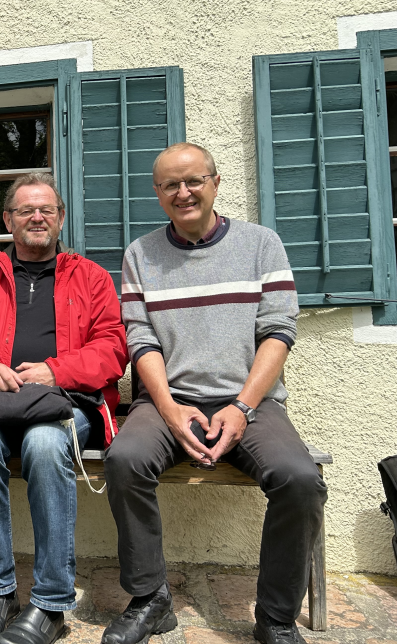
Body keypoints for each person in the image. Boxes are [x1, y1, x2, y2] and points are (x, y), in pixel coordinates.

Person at [103, 143, 327, 644]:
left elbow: (278, 333)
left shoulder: (261, 244)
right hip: (166, 400)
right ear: (158, 194)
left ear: (215, 182)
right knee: (124, 460)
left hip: (250, 400)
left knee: (299, 479)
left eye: (193, 181)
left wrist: (243, 407)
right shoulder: (140, 254)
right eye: (170, 185)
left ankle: (275, 617)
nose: (183, 193)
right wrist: (169, 409)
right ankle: (149, 599)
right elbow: (141, 341)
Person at [0, 172, 129, 644]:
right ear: (9, 220)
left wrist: (56, 370)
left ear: (61, 218)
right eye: (26, 210)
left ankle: (51, 604)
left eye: (46, 209)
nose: (36, 217)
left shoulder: (89, 277)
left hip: (69, 403)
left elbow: (114, 348)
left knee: (47, 442)